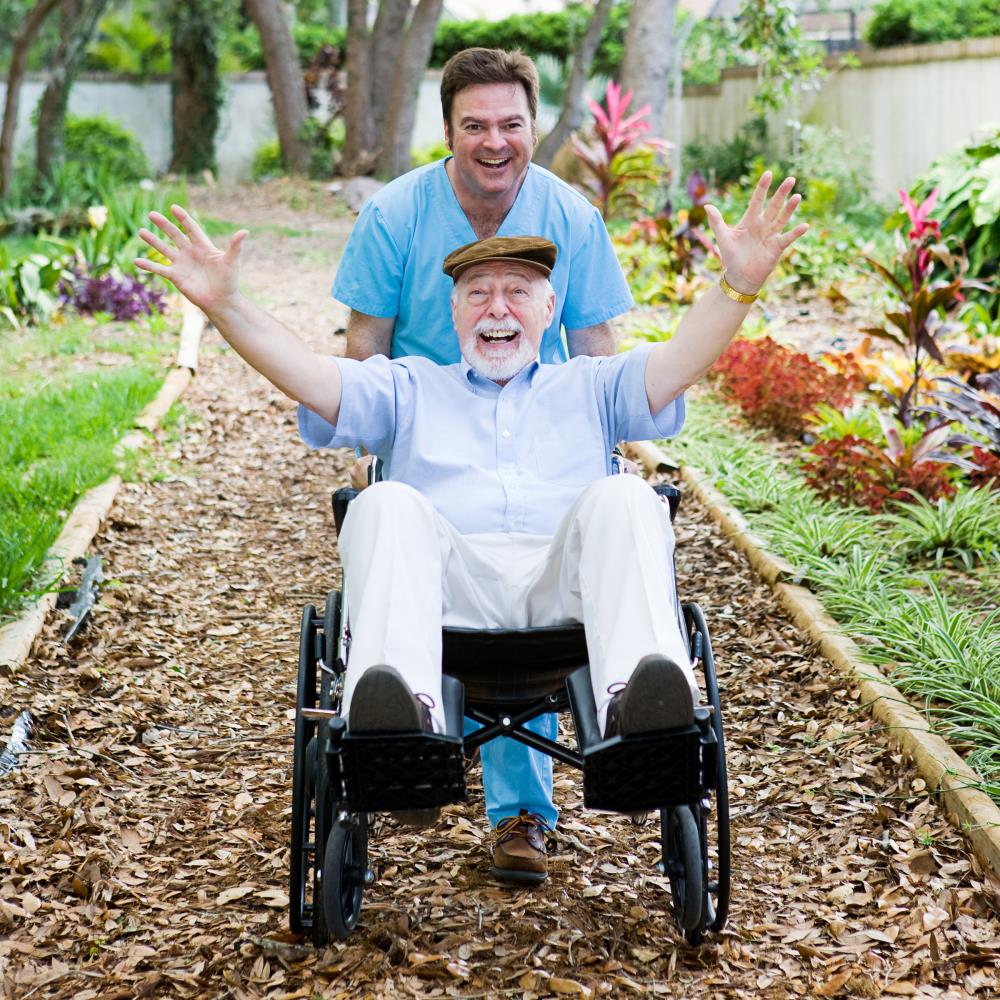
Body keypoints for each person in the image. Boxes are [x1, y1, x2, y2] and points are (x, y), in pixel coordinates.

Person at [136, 171, 807, 883]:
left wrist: (737, 285)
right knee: (383, 503)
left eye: (518, 292)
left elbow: (676, 365)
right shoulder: (408, 387)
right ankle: (399, 719)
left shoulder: (592, 385)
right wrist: (227, 305)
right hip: (447, 599)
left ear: (550, 308)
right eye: (479, 293)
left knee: (629, 496)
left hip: (565, 595)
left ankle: (639, 716)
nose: (498, 308)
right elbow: (312, 377)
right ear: (453, 310)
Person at [331, 46, 635, 877]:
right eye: (475, 126)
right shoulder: (394, 218)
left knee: (530, 554)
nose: (493, 142)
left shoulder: (571, 217)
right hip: (428, 437)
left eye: (510, 123)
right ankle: (409, 738)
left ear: (534, 126)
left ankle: (522, 815)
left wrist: (602, 474)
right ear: (448, 132)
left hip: (532, 442)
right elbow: (365, 354)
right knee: (415, 532)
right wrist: (380, 457)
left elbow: (599, 356)